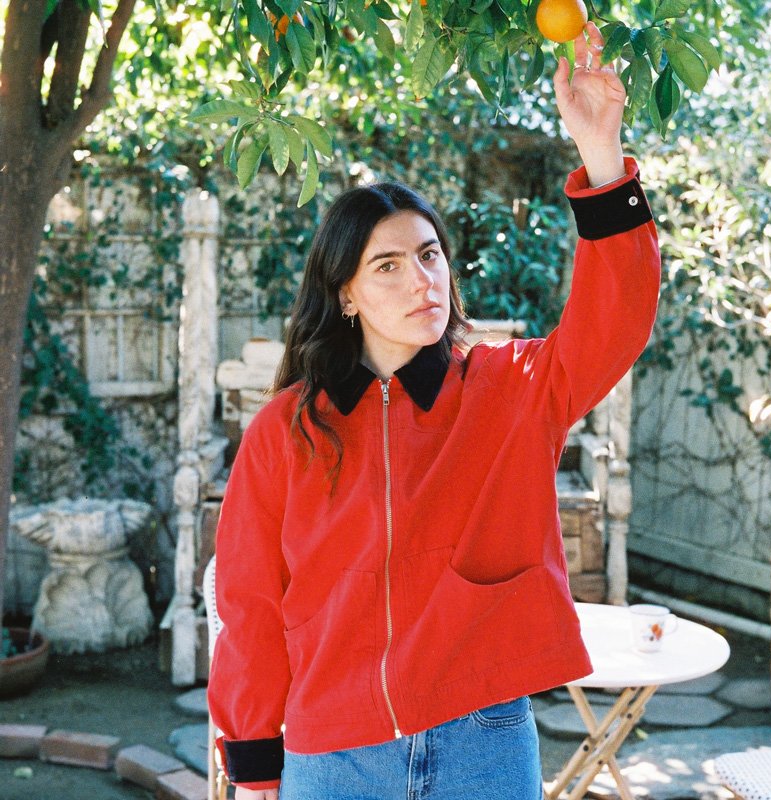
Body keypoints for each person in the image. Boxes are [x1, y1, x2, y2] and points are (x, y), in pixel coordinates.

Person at [208, 20, 661, 800]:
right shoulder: (287, 429)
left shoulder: (510, 389)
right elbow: (249, 603)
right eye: (387, 265)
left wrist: (601, 154)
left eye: (429, 255)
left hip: (483, 741)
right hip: (334, 752)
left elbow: (614, 323)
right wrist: (253, 764)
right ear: (346, 295)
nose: (421, 281)